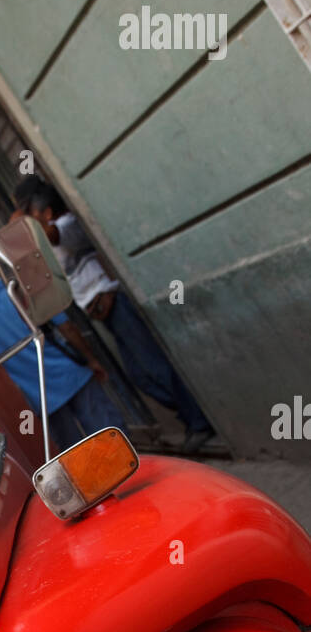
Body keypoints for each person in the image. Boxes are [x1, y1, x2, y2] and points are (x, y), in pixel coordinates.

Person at [13, 178, 214, 454]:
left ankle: (198, 422)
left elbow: (46, 234)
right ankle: (192, 418)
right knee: (140, 375)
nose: (30, 220)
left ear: (46, 213)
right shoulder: (54, 232)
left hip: (114, 302)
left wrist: (21, 221)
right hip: (103, 311)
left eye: (33, 214)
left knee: (153, 367)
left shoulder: (67, 225)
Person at [0, 244, 126, 454]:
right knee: (114, 438)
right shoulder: (22, 290)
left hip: (39, 395)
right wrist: (90, 359)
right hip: (71, 374)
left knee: (76, 457)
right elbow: (67, 328)